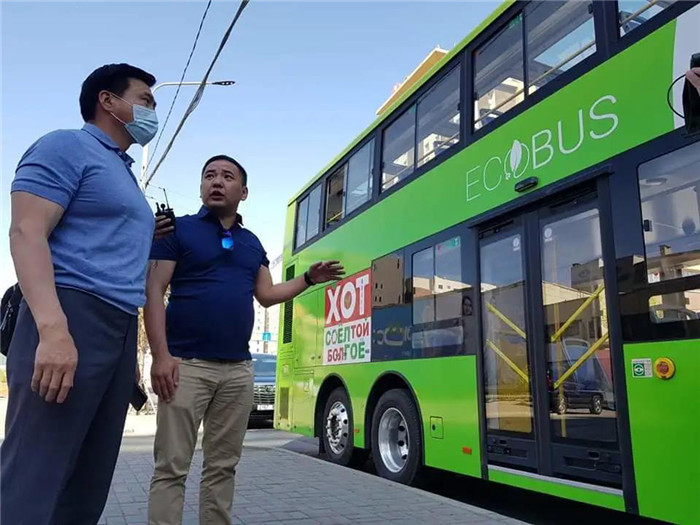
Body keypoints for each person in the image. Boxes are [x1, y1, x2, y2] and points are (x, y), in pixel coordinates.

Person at [1, 63, 173, 525]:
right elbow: (26, 231)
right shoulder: (66, 146)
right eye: (146, 100)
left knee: (88, 478)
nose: (153, 112)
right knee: (37, 472)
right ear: (108, 101)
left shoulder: (122, 173)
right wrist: (53, 332)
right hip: (71, 312)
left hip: (118, 325)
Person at [145, 155, 344, 525]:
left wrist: (309, 279)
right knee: (171, 467)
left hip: (238, 371)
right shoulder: (177, 230)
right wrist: (161, 356)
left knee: (223, 467)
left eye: (226, 176)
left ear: (244, 191)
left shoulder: (251, 243)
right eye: (209, 175)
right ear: (201, 186)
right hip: (185, 365)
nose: (216, 181)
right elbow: (154, 291)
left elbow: (266, 294)